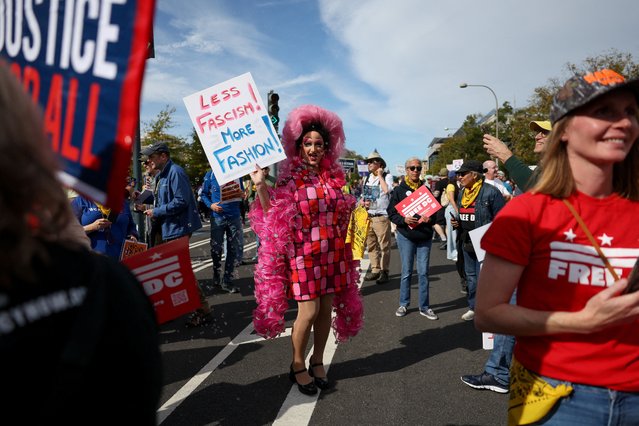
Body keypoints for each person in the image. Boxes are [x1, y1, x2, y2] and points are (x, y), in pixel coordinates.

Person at [475, 68, 639, 424]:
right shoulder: (526, 212)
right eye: (605, 112)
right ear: (563, 130)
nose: (624, 122)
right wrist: (581, 322)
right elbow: (487, 313)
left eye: (630, 112)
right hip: (558, 397)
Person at [0, 65, 161, 423]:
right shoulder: (76, 208)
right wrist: (88, 230)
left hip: (112, 266)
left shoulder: (107, 280)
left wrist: (132, 236)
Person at [249, 105, 364, 396]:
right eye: (308, 143)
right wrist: (261, 186)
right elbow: (273, 213)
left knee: (325, 310)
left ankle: (318, 361)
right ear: (298, 146)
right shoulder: (290, 179)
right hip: (304, 254)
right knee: (309, 311)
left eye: (318, 144)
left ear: (327, 148)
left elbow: (342, 215)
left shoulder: (334, 178)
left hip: (333, 253)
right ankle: (297, 364)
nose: (313, 149)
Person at [141, 142, 210, 327]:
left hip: (178, 228)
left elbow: (181, 201)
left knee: (181, 272)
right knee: (170, 272)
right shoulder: (162, 175)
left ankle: (203, 311)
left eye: (152, 156)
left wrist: (156, 211)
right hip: (169, 228)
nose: (149, 160)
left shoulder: (175, 172)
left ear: (163, 156)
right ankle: (171, 310)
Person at [451, 160, 505, 321]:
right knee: (471, 277)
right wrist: (458, 223)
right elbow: (464, 214)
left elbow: (501, 220)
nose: (459, 177)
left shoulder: (491, 192)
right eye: (458, 174)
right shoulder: (462, 193)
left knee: (485, 278)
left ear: (474, 175)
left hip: (484, 241)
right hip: (466, 240)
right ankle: (473, 307)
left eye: (462, 174)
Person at [387, 157, 438, 320]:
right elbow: (391, 213)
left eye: (418, 168)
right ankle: (403, 303)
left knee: (423, 273)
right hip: (406, 236)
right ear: (406, 170)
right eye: (412, 168)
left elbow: (436, 214)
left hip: (424, 236)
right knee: (407, 272)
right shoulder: (399, 190)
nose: (415, 171)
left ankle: (425, 306)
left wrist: (430, 219)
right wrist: (404, 220)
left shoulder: (426, 189)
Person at [200, 169, 245, 294]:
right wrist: (211, 205)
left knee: (232, 249)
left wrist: (242, 194)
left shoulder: (236, 173)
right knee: (216, 249)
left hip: (234, 216)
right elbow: (203, 194)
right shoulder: (210, 174)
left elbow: (240, 192)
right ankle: (216, 275)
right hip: (218, 217)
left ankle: (227, 281)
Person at [72, 177, 139, 259]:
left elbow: (131, 225)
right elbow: (69, 232)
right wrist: (92, 227)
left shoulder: (122, 202)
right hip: (91, 260)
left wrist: (133, 235)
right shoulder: (81, 201)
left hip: (119, 260)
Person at [482, 120, 552, 192]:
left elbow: (536, 187)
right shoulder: (544, 166)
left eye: (545, 133)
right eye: (537, 132)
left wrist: (505, 155)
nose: (537, 137)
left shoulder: (561, 167)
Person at [361, 149, 394, 284]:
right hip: (368, 215)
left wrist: (380, 176)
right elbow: (364, 196)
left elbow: (387, 190)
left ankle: (384, 271)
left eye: (371, 162)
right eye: (368, 162)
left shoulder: (387, 176)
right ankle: (375, 269)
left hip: (381, 216)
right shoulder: (367, 177)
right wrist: (362, 202)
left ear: (379, 164)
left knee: (384, 245)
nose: (369, 164)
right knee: (371, 245)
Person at [246, 166, 277, 261]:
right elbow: (250, 195)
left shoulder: (273, 180)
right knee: (259, 233)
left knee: (270, 232)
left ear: (269, 170)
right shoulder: (253, 180)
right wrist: (252, 204)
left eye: (265, 169)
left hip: (270, 208)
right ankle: (259, 252)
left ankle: (270, 253)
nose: (263, 171)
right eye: (262, 169)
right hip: (258, 210)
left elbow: (277, 193)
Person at [432, 167, 449, 249]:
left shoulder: (439, 183)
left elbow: (436, 194)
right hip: (450, 205)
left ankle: (443, 239)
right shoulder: (451, 182)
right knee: (447, 224)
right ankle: (449, 241)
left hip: (440, 206)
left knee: (436, 223)